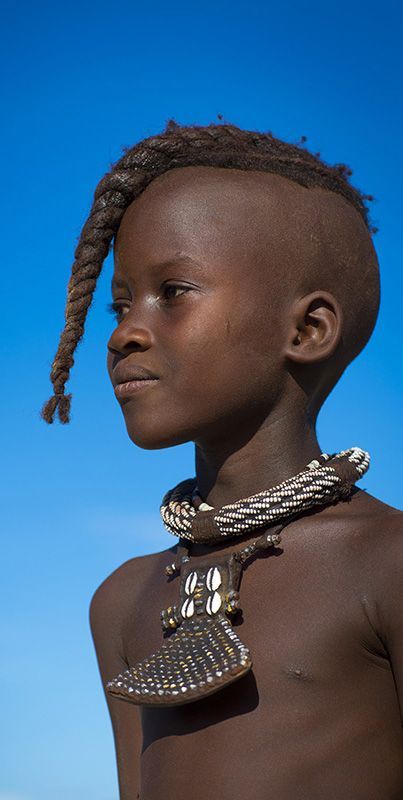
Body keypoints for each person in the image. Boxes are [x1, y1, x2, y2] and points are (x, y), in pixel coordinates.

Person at [42, 121, 403, 800]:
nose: (124, 332)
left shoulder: (385, 563)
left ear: (305, 330)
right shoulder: (121, 601)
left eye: (172, 292)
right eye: (121, 304)